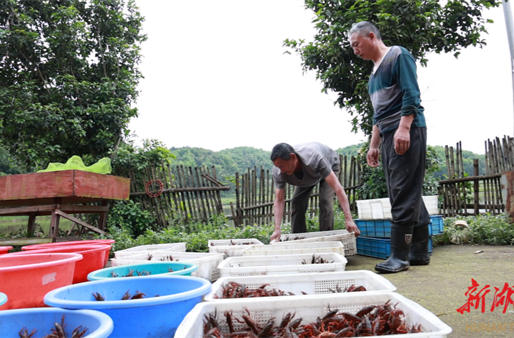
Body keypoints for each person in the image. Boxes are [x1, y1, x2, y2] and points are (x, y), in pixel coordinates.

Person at [348, 21, 431, 273]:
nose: (355, 50)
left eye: (356, 44)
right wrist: (373, 145)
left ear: (371, 36)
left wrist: (404, 128)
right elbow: (378, 114)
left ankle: (399, 256)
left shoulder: (398, 55)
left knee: (401, 189)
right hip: (387, 133)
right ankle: (418, 251)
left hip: (405, 130)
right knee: (407, 188)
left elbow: (411, 94)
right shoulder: (373, 74)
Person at [269, 142, 360, 242]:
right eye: (278, 167)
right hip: (308, 175)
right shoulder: (279, 171)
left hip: (329, 165)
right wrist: (277, 229)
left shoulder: (315, 158)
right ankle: (298, 239)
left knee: (325, 200)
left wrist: (349, 219)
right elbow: (279, 199)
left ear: (293, 158)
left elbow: (338, 188)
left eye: (282, 166)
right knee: (297, 202)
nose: (281, 170)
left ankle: (327, 240)